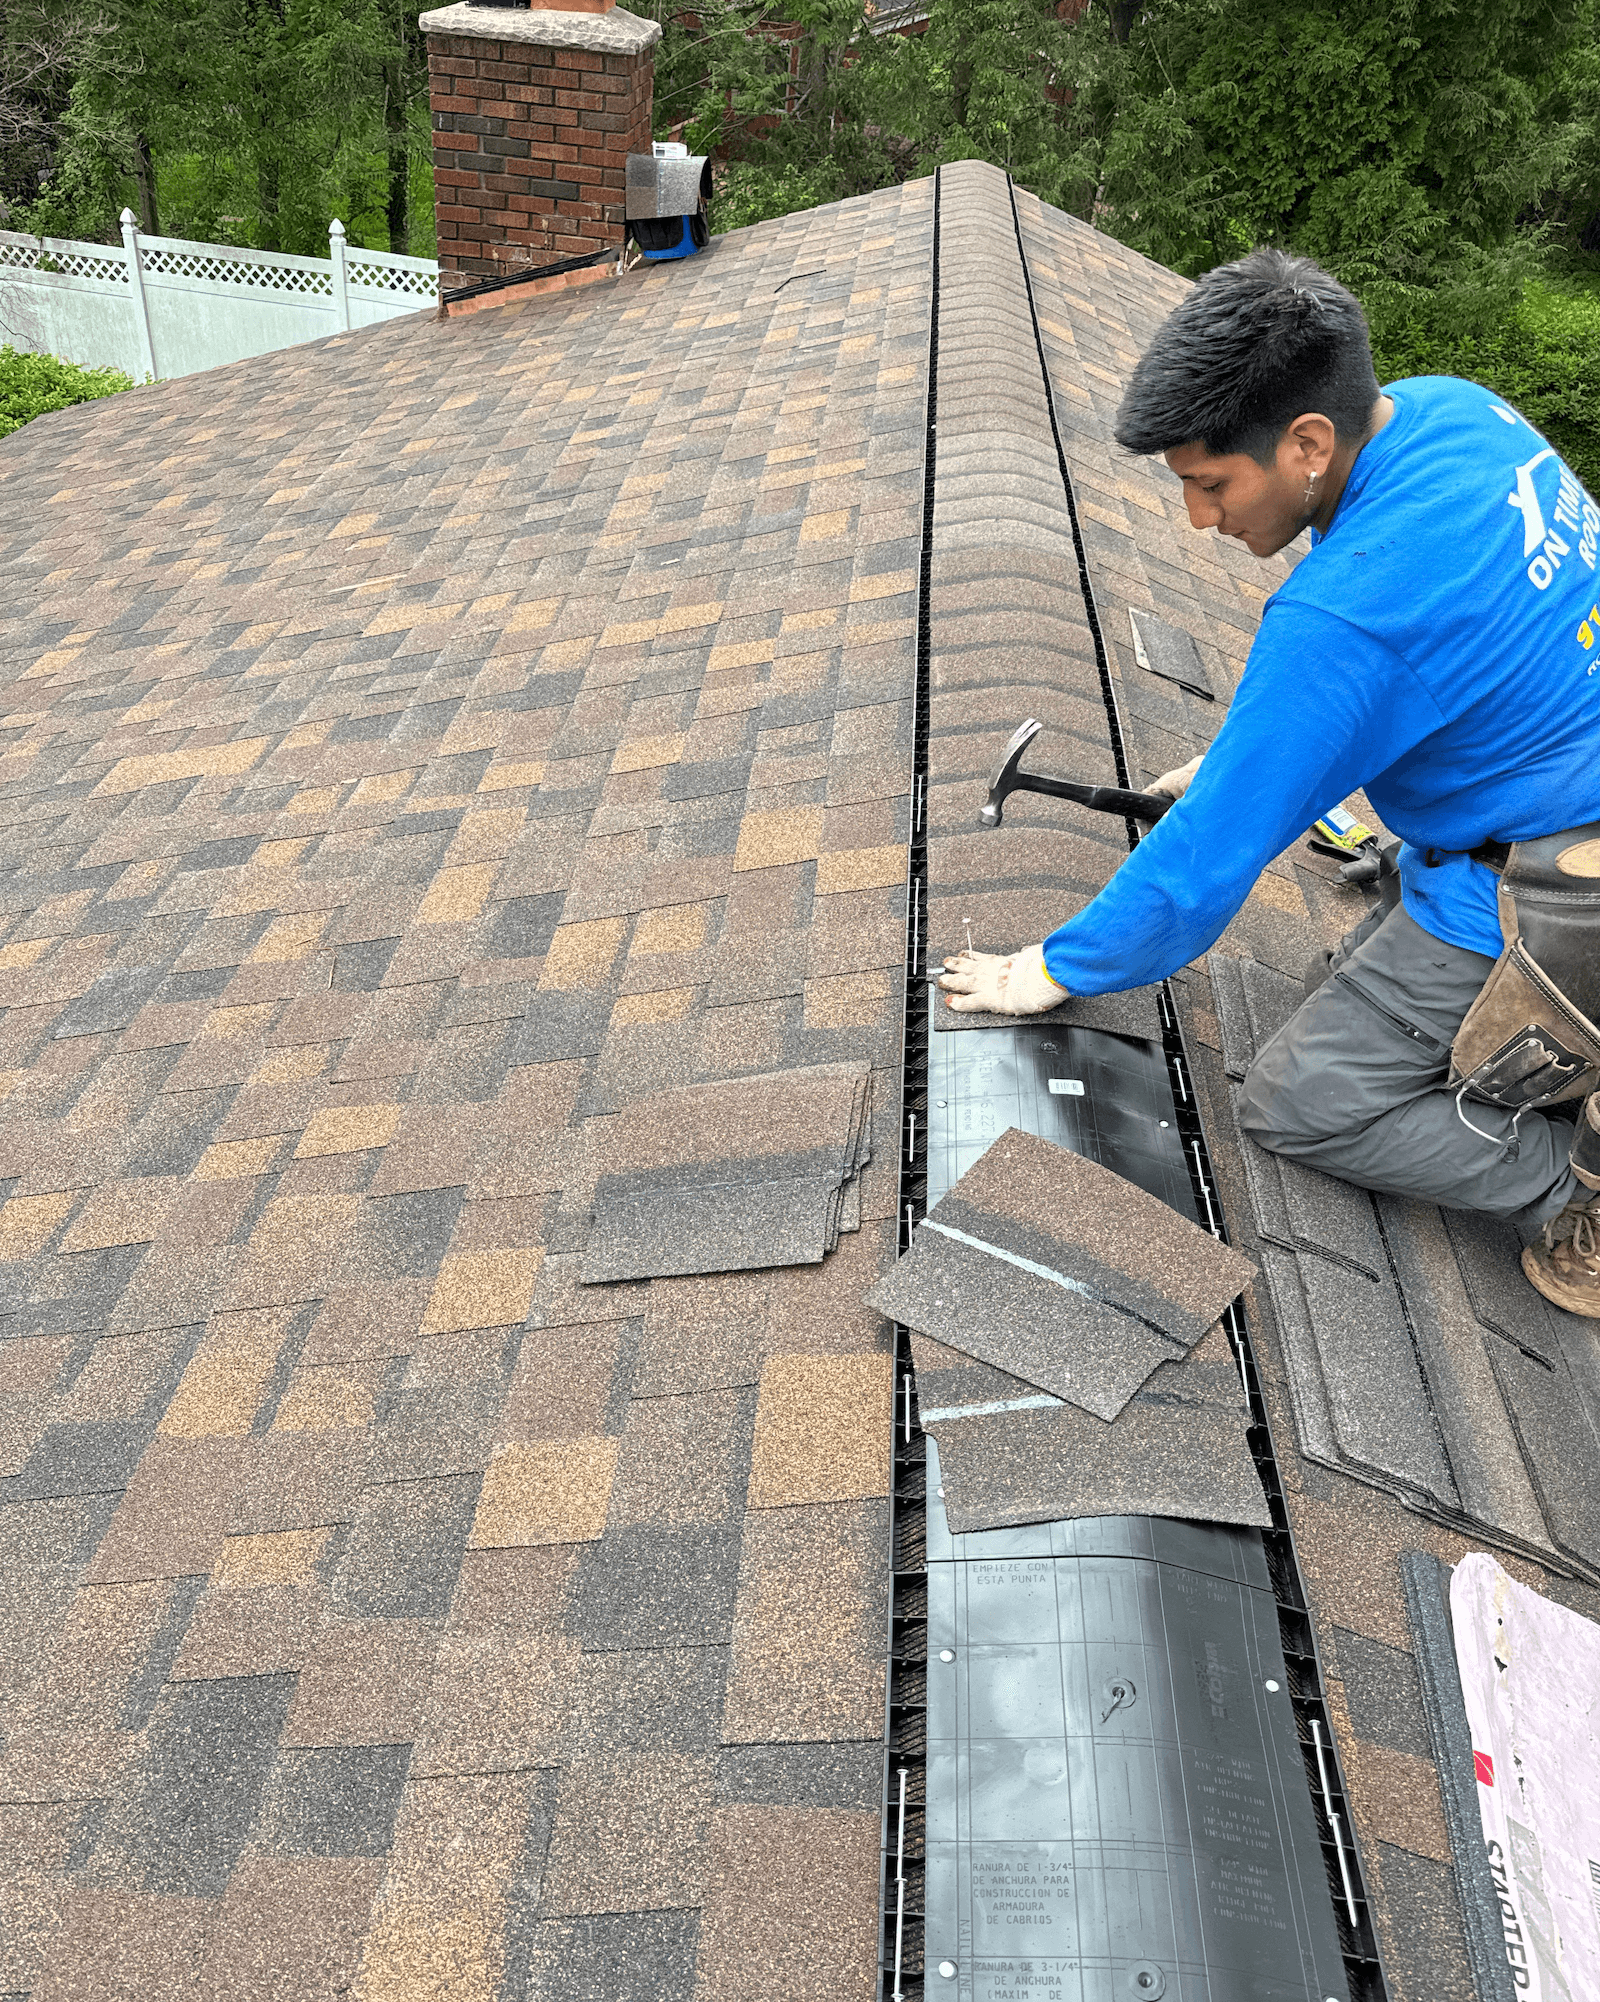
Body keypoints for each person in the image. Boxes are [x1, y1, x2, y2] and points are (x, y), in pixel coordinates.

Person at [937, 248, 1600, 1316]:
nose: (1199, 520)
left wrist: (1049, 971)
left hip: (1554, 897)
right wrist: (1253, 760)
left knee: (1305, 1099)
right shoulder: (1452, 413)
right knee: (1340, 981)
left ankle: (1575, 1187)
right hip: (1555, 802)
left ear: (1305, 443)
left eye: (1210, 484)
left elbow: (1202, 871)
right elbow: (1463, 647)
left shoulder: (1344, 620)